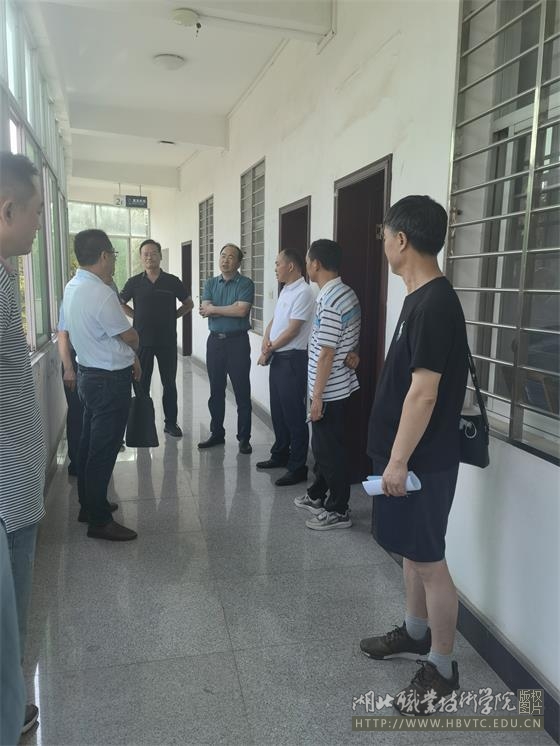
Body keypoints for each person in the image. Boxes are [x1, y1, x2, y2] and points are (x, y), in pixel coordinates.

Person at [359, 195, 468, 715]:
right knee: (411, 553)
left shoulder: (436, 303)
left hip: (422, 462)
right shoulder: (417, 298)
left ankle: (442, 668)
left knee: (429, 562)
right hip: (403, 457)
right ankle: (415, 631)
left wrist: (399, 461)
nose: (383, 245)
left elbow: (424, 393)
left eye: (385, 237)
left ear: (401, 240)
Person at [0, 151, 46, 734]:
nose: (38, 223)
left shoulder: (5, 277)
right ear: (7, 209)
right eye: (34, 211)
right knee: (6, 629)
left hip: (15, 485)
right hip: (7, 495)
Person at [60, 229, 141, 541]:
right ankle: (99, 520)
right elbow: (129, 336)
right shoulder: (101, 292)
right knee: (103, 450)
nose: (114, 262)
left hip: (88, 376)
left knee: (88, 444)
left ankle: (89, 505)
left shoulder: (73, 286)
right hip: (108, 381)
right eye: (114, 256)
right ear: (104, 255)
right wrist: (135, 344)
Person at [294, 239, 361, 530]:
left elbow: (326, 353)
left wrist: (317, 397)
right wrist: (354, 353)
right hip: (338, 385)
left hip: (329, 390)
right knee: (324, 447)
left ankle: (339, 509)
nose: (307, 266)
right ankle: (317, 494)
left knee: (329, 452)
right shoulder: (346, 293)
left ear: (315, 264)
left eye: (307, 261)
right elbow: (350, 339)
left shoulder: (330, 300)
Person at [120, 240, 193, 437]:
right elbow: (120, 302)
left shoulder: (172, 281)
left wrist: (173, 316)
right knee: (141, 383)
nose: (149, 257)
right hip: (142, 341)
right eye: (145, 254)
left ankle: (171, 423)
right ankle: (143, 425)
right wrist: (136, 316)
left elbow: (189, 303)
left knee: (169, 383)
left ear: (160, 256)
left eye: (153, 253)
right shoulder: (134, 282)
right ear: (141, 257)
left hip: (167, 341)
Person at [256, 249, 314, 485]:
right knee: (278, 411)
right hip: (279, 358)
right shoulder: (287, 290)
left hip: (292, 360)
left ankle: (298, 466)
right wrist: (265, 339)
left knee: (294, 414)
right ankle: (280, 454)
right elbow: (275, 320)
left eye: (277, 264)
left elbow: (293, 330)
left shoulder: (304, 292)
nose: (275, 268)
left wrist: (268, 350)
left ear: (290, 266)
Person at [58, 281, 125, 477]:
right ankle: (78, 462)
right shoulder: (73, 293)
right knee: (78, 413)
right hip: (77, 361)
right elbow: (63, 334)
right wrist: (69, 368)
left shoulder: (109, 291)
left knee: (102, 416)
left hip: (103, 363)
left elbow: (117, 333)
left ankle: (98, 463)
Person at [198, 243, 254, 454]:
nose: (225, 260)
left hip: (237, 342)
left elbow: (241, 311)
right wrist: (223, 309)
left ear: (238, 262)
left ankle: (244, 438)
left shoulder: (245, 283)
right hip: (215, 343)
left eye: (231, 257)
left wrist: (215, 309)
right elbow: (205, 309)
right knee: (216, 391)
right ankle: (217, 434)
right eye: (223, 255)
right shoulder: (211, 283)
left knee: (242, 391)